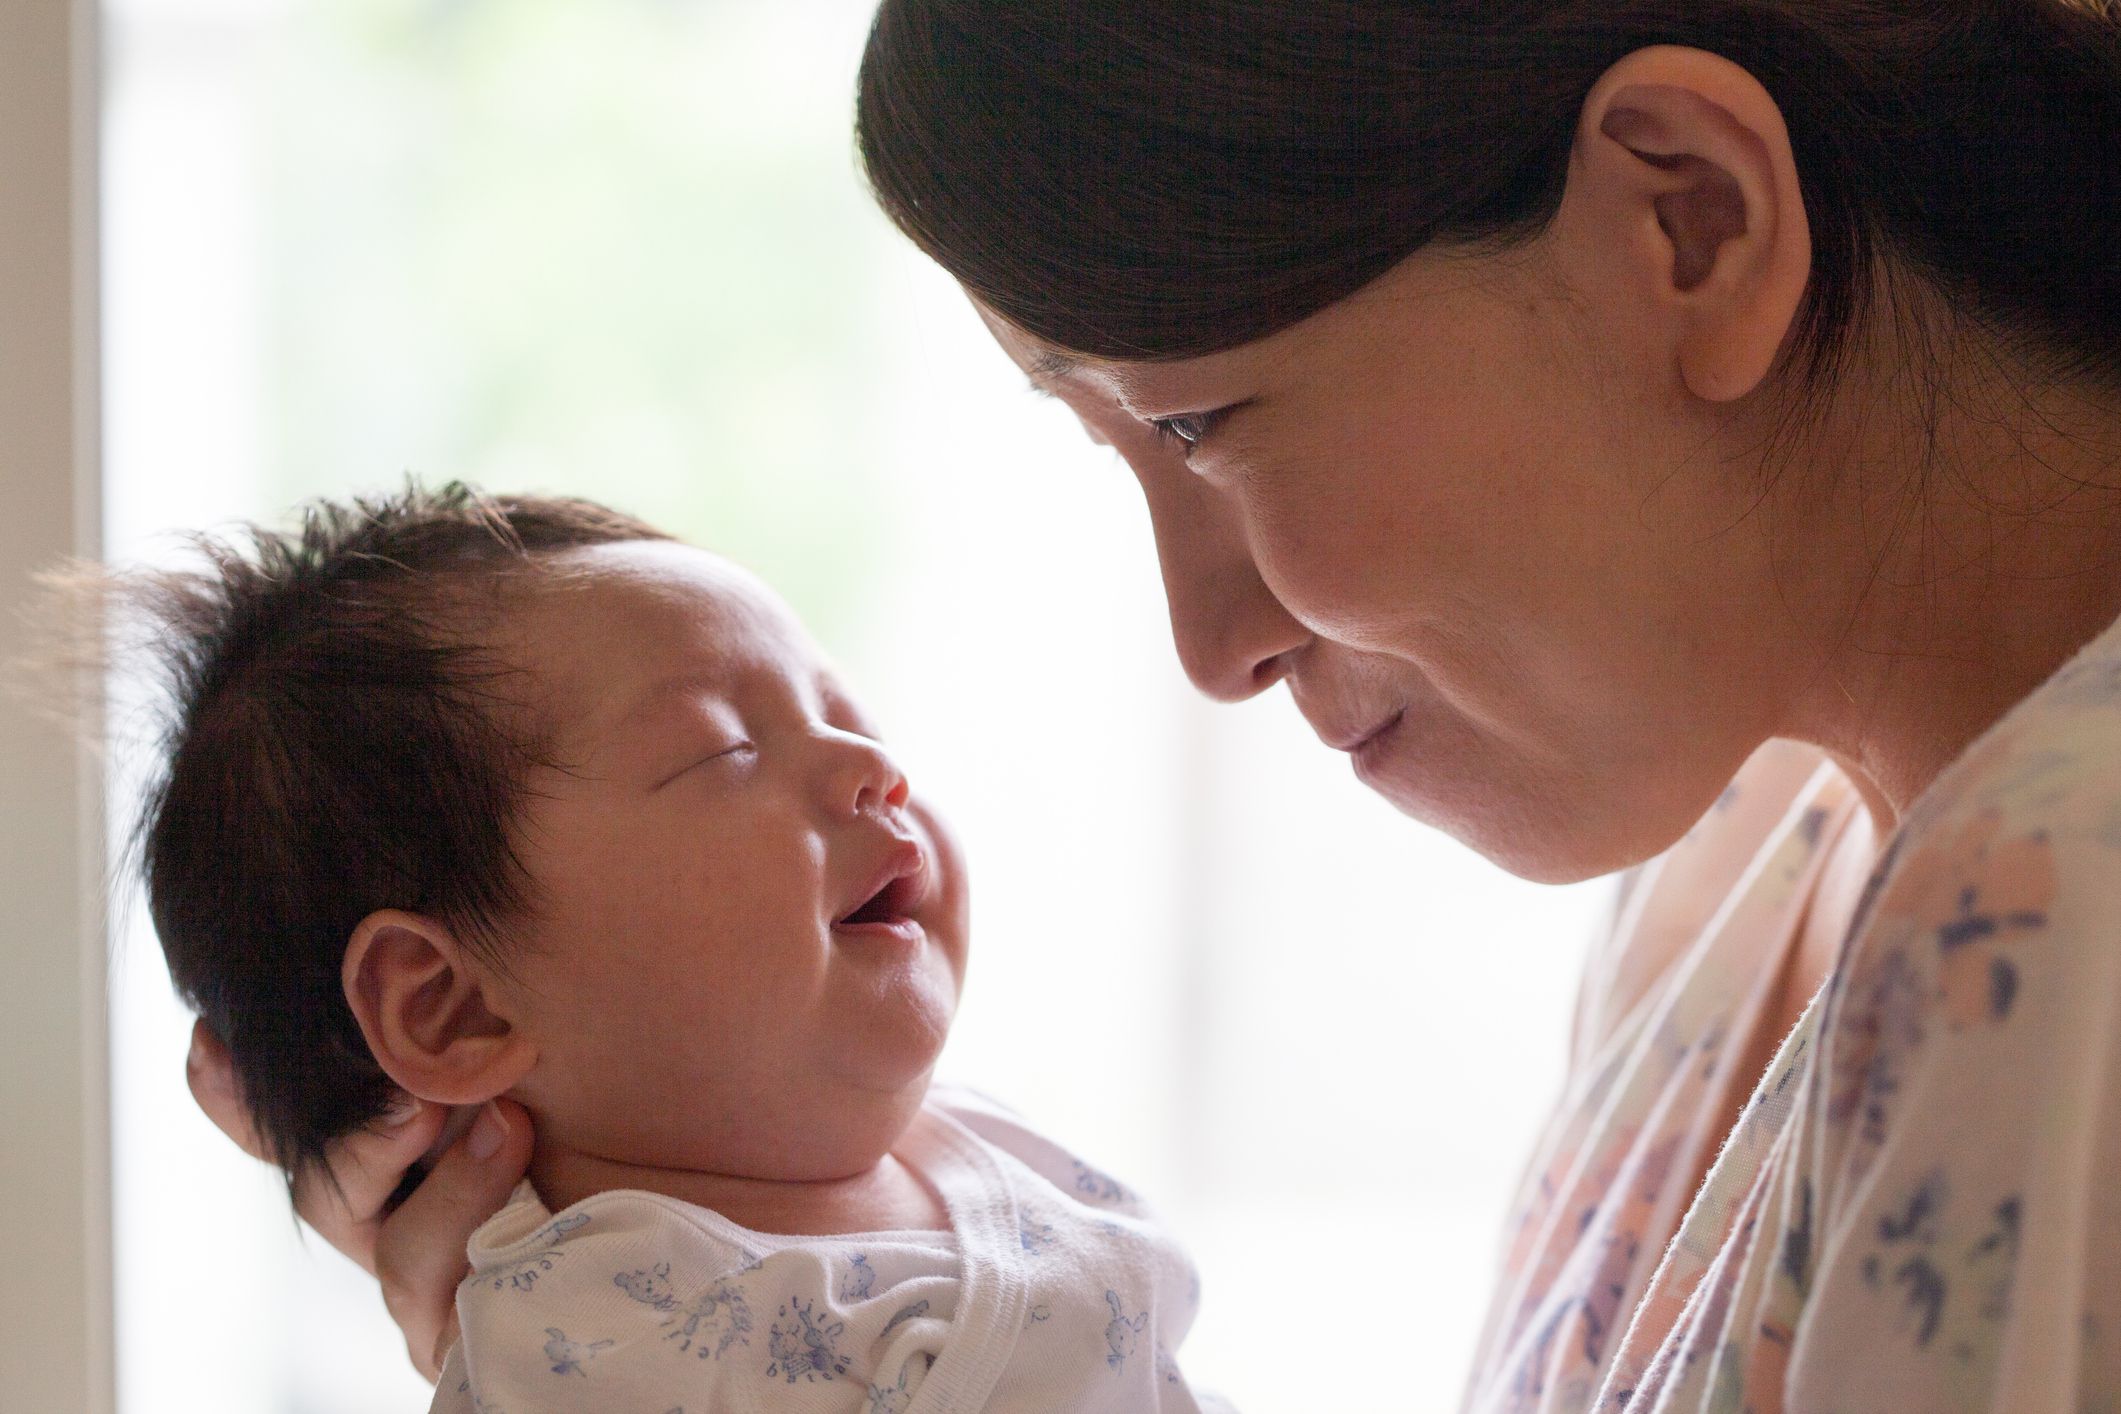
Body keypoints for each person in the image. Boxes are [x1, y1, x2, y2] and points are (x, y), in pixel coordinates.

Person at [190, 1, 2121, 1408]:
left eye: (1198, 420)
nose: (1213, 642)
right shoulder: (1751, 855)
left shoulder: (2062, 902)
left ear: (1686, 220)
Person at [143, 485, 1219, 1413]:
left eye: (847, 715)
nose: (870, 766)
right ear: (453, 1006)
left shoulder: (972, 1146)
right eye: (726, 747)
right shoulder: (597, 1352)